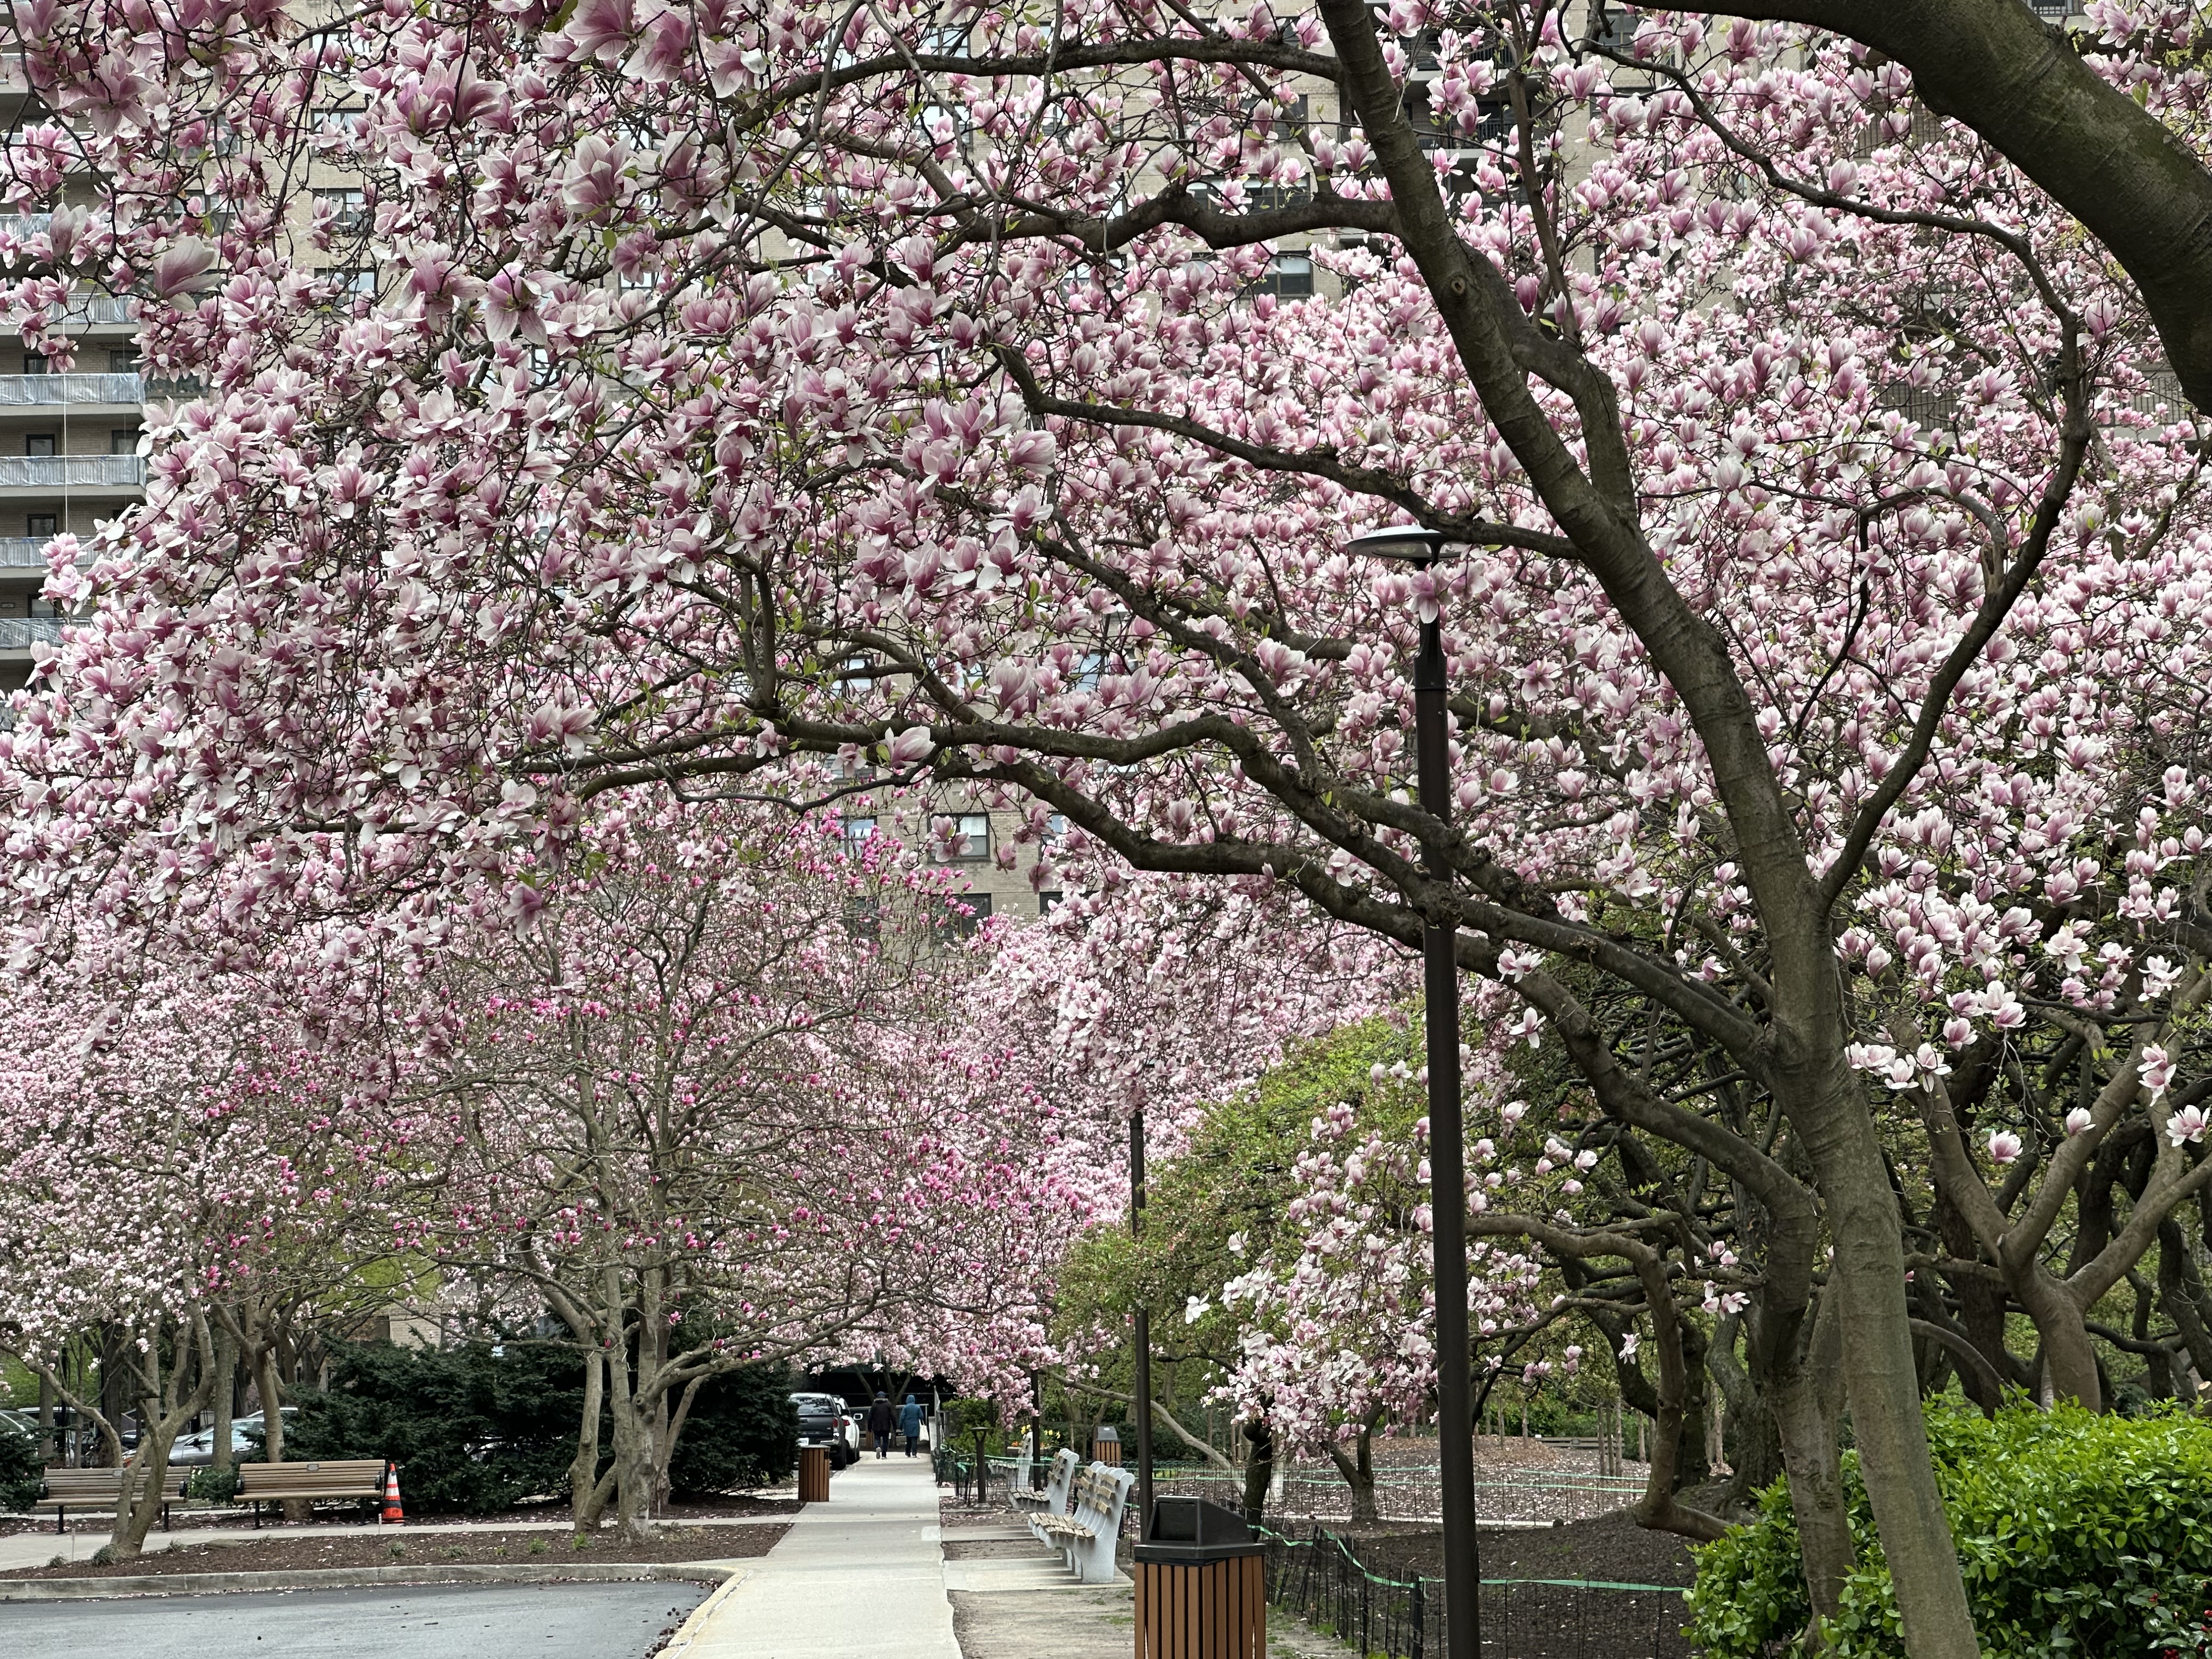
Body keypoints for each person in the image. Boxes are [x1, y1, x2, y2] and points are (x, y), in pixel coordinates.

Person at [868, 1392, 895, 1459]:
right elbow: (892, 1416)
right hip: (886, 1426)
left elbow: (870, 1417)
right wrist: (895, 1426)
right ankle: (884, 1455)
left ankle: (878, 1447)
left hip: (876, 1426)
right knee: (885, 1440)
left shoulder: (874, 1405)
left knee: (877, 1438)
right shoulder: (888, 1404)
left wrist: (869, 1427)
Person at [899, 1394, 923, 1458]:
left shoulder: (906, 1408)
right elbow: (921, 1416)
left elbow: (902, 1417)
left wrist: (900, 1426)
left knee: (908, 1439)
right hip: (915, 1425)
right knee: (914, 1439)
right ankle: (914, 1453)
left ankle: (908, 1453)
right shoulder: (918, 1407)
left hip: (907, 1425)